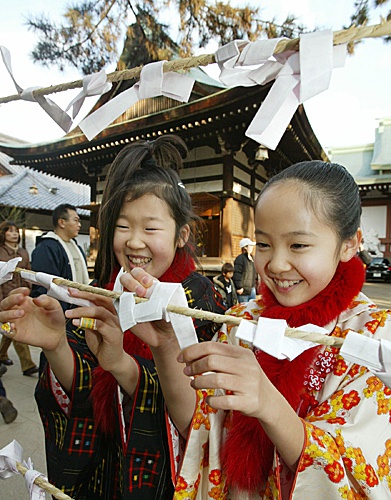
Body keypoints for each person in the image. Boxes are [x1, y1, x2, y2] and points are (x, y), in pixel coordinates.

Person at [0, 135, 225, 499]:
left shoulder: (197, 298)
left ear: (182, 234)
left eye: (151, 229)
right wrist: (57, 345)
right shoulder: (100, 290)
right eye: (123, 227)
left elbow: (199, 413)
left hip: (161, 474)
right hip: (103, 468)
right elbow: (84, 385)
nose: (135, 242)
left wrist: (123, 365)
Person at [172, 160, 391, 498]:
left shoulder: (374, 339)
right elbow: (202, 429)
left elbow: (362, 475)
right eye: (263, 244)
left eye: (298, 245)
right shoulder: (240, 321)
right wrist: (163, 343)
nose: (275, 264)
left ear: (350, 243)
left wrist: (268, 404)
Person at [31, 203, 89, 311]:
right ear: (62, 222)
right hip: (60, 310)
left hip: (78, 307)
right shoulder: (47, 248)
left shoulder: (77, 248)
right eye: (76, 220)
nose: (79, 225)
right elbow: (45, 285)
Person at [0, 221, 39, 376]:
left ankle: (2, 354)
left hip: (22, 295)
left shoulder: (23, 252)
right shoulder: (1, 252)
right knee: (16, 326)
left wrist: (29, 289)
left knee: (10, 326)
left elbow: (28, 273)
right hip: (6, 295)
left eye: (16, 231)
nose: (14, 234)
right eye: (10, 231)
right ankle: (27, 364)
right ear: (3, 233)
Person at [233, 237, 257, 302]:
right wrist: (239, 287)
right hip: (243, 291)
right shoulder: (240, 259)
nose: (252, 247)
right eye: (250, 245)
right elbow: (237, 273)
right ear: (245, 247)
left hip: (252, 289)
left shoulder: (252, 258)